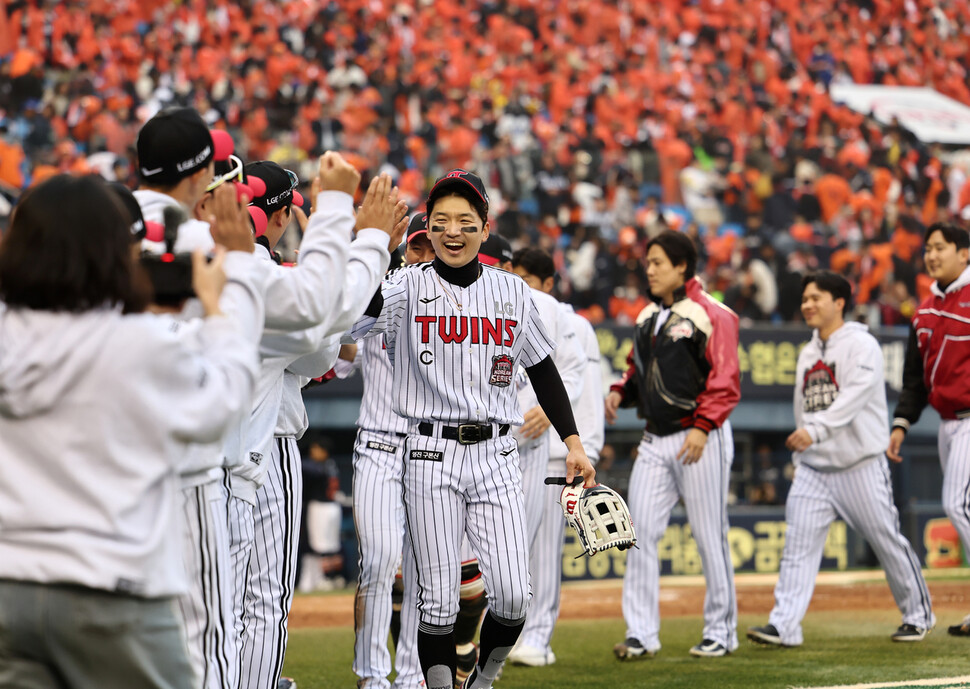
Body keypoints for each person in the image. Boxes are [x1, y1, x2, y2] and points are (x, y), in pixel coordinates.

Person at [0, 173, 262, 688]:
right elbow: (223, 404)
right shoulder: (138, 344)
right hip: (111, 588)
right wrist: (222, 307)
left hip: (10, 586)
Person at [351, 169, 596, 689]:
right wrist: (372, 247)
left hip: (496, 453)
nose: (453, 231)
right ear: (429, 229)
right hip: (428, 453)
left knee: (511, 594)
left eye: (465, 221)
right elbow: (352, 319)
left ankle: (482, 677)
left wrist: (572, 442)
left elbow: (543, 370)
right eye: (441, 221)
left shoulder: (511, 291)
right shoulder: (404, 284)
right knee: (436, 601)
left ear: (486, 229)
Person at [747, 272, 934, 647]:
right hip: (815, 468)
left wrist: (815, 431)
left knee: (886, 540)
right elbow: (804, 410)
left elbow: (856, 396)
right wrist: (804, 454)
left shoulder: (862, 344)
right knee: (797, 548)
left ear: (839, 302)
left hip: (859, 465)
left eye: (816, 297)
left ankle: (917, 615)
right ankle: (784, 625)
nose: (807, 305)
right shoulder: (807, 352)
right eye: (804, 299)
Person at [606, 229, 740, 659]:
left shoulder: (713, 314)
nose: (650, 269)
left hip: (700, 436)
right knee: (638, 532)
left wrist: (704, 426)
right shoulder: (647, 317)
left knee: (709, 535)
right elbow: (636, 371)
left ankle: (721, 631)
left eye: (658, 262)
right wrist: (620, 391)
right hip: (655, 438)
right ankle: (641, 633)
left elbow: (725, 379)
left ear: (682, 266)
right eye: (648, 263)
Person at [335, 214, 433, 689]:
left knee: (424, 568)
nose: (425, 256)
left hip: (432, 449)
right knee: (377, 560)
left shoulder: (460, 302)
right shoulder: (384, 290)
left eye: (431, 247)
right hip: (378, 443)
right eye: (417, 247)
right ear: (403, 250)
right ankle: (372, 675)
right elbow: (341, 353)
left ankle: (413, 675)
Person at [508, 247, 605, 667]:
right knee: (513, 549)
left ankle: (539, 637)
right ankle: (513, 633)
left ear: (548, 283)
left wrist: (583, 446)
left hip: (554, 453)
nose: (522, 283)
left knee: (543, 551)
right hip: (512, 448)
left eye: (530, 278)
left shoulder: (576, 324)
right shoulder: (509, 307)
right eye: (517, 275)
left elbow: (585, 394)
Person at [889, 222, 970, 637]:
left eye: (941, 247)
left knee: (958, 505)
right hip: (947, 424)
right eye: (928, 249)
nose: (932, 255)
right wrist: (901, 423)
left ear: (965, 253)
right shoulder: (923, 311)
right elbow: (915, 379)